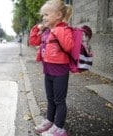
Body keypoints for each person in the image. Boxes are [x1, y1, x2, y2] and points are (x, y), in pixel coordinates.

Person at [29, 0, 74, 136]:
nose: (44, 18)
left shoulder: (64, 29)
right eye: (43, 15)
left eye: (47, 15)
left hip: (60, 71)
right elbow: (33, 42)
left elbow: (69, 46)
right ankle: (50, 121)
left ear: (58, 15)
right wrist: (37, 29)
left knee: (59, 100)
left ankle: (59, 128)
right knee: (50, 99)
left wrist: (56, 30)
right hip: (48, 70)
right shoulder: (46, 31)